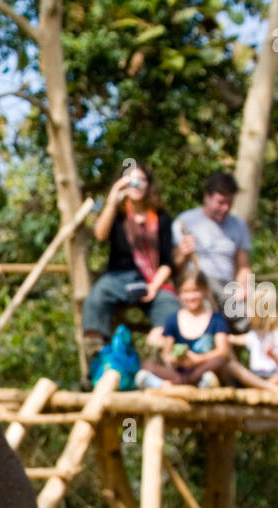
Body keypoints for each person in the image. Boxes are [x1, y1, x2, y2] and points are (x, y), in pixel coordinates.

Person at [82, 163, 179, 362]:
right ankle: (96, 356)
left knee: (170, 307)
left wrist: (153, 287)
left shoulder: (161, 218)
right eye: (130, 180)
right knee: (97, 297)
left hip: (151, 280)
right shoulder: (117, 215)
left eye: (141, 180)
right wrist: (112, 199)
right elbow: (100, 234)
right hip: (118, 278)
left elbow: (167, 262)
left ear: (148, 185)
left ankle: (160, 358)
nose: (136, 185)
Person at [172, 171, 252, 332]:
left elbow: (244, 267)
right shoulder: (185, 221)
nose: (225, 208)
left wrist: (243, 287)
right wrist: (182, 253)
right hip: (196, 286)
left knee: (262, 306)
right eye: (220, 202)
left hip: (227, 288)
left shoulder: (238, 225)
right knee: (213, 293)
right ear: (206, 197)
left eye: (229, 203)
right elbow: (173, 267)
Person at [135, 269, 230, 389]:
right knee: (146, 365)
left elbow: (223, 351)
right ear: (179, 293)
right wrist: (176, 359)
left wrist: (199, 359)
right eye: (186, 291)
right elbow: (166, 355)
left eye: (195, 291)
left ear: (204, 290)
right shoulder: (172, 319)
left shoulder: (216, 319)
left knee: (219, 362)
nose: (190, 296)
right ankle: (181, 384)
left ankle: (164, 385)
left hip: (201, 370)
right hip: (179, 373)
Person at [223, 307, 278, 391]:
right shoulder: (253, 335)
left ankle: (263, 387)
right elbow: (230, 339)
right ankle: (268, 387)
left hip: (274, 375)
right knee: (231, 366)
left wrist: (273, 356)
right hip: (255, 376)